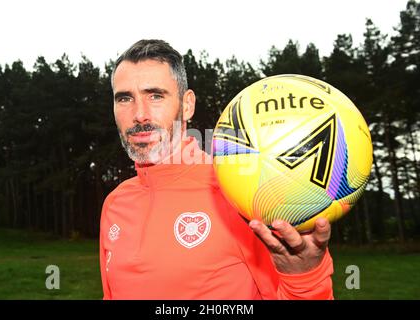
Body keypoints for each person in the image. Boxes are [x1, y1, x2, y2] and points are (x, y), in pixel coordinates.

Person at [99, 39, 334, 299]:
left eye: (155, 96)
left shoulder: (240, 190)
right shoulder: (115, 204)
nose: (139, 114)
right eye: (124, 98)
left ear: (187, 105)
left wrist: (306, 278)